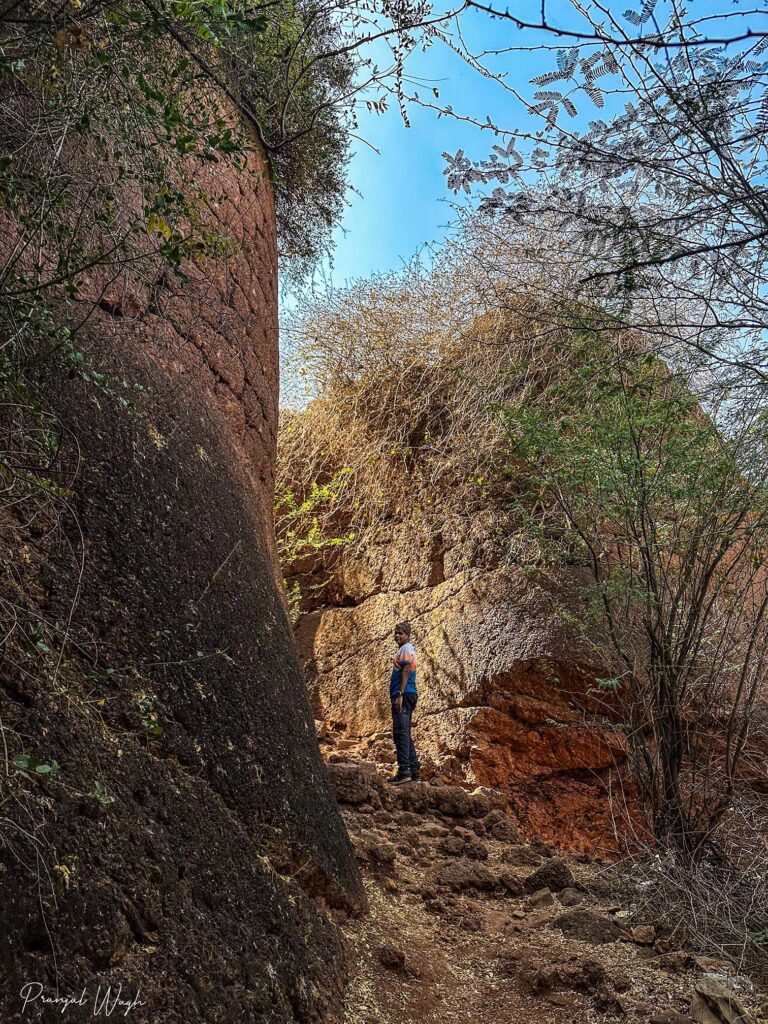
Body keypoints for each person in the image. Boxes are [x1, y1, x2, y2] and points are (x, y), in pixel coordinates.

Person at [389, 620, 420, 784]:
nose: (397, 635)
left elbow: (406, 669)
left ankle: (404, 772)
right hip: (408, 693)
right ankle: (413, 772)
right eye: (396, 632)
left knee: (400, 733)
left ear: (408, 636)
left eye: (401, 633)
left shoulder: (406, 648)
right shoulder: (405, 649)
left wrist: (399, 694)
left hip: (404, 694)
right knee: (405, 733)